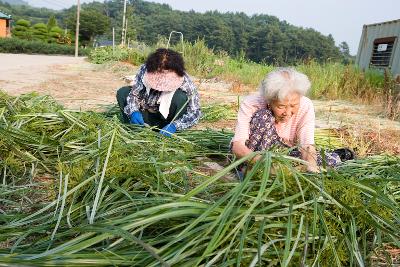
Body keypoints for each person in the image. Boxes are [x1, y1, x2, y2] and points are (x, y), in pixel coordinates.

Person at [231, 67, 354, 173]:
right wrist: (267, 165)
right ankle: (251, 169)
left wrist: (311, 168)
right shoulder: (252, 104)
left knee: (329, 160)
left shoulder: (306, 106)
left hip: (284, 153)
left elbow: (307, 146)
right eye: (281, 106)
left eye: (294, 105)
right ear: (269, 100)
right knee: (264, 116)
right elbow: (237, 147)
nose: (288, 113)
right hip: (253, 155)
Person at [116, 48, 201, 137]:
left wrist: (175, 125)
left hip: (167, 119)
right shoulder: (145, 70)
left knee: (180, 98)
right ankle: (134, 128)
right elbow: (134, 94)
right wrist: (133, 111)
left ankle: (167, 132)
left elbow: (195, 112)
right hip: (146, 113)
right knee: (123, 92)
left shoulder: (184, 80)